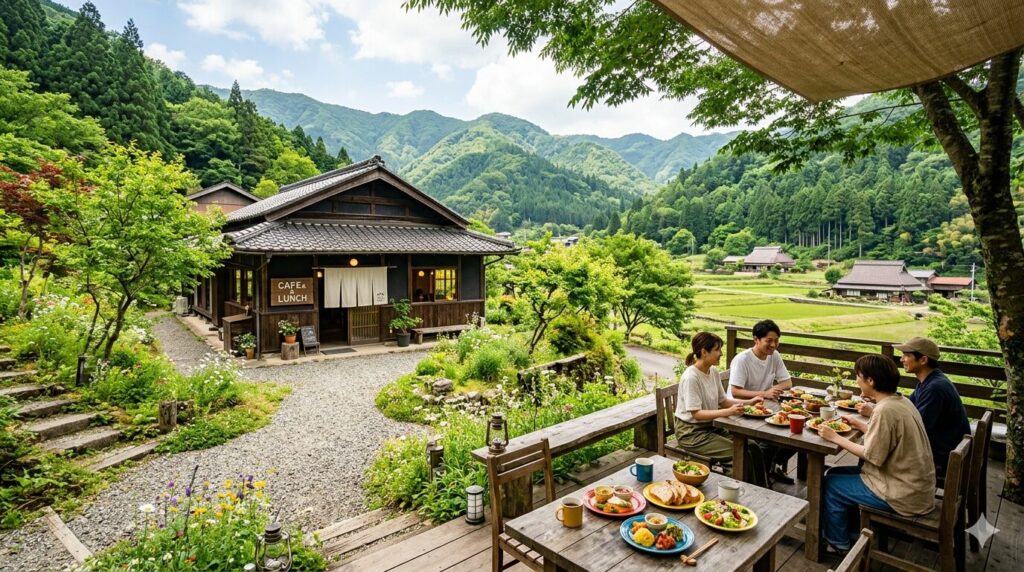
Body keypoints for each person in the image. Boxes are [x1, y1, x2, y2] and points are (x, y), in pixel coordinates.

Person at [819, 354, 935, 552]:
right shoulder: (901, 401)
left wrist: (835, 437)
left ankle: (838, 542)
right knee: (833, 474)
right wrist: (860, 425)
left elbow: (872, 455)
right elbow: (888, 439)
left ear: (870, 381)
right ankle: (853, 532)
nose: (857, 380)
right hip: (915, 486)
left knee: (831, 484)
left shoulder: (885, 410)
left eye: (858, 376)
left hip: (902, 493)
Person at [856, 336, 970, 477]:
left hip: (938, 458)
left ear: (923, 360)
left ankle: (868, 483)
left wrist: (875, 411)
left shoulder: (934, 388)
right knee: (873, 441)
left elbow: (915, 427)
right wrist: (878, 399)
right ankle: (866, 480)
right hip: (938, 448)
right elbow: (908, 410)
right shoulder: (928, 381)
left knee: (874, 447)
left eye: (907, 355)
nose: (902, 359)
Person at [675, 332, 765, 478]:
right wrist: (727, 412)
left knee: (753, 447)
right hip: (691, 433)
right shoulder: (691, 377)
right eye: (717, 350)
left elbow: (723, 401)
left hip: (711, 427)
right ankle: (738, 494)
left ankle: (761, 489)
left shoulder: (713, 371)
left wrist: (750, 402)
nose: (721, 353)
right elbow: (696, 414)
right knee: (738, 452)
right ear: (704, 352)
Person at [728, 319, 795, 483]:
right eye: (769, 341)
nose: (773, 345)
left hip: (765, 409)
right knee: (770, 440)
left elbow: (787, 383)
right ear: (756, 340)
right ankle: (760, 479)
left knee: (794, 429)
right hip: (739, 410)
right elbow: (735, 391)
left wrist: (772, 392)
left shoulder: (774, 356)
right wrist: (764, 393)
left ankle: (771, 466)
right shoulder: (743, 360)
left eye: (776, 340)